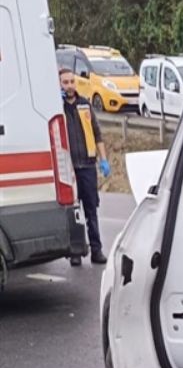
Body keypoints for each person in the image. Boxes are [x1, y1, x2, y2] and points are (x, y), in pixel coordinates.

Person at [60, 67, 109, 265]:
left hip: (87, 165)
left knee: (91, 209)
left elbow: (97, 134)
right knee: (74, 211)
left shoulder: (85, 105)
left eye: (72, 81)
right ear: (59, 84)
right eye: (65, 82)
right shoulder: (57, 107)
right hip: (68, 166)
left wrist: (103, 159)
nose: (70, 86)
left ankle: (96, 250)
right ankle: (76, 252)